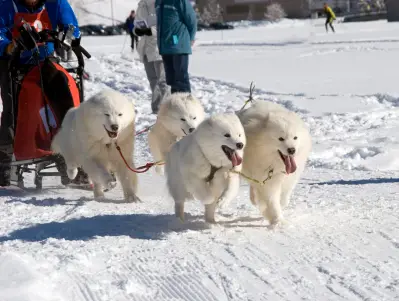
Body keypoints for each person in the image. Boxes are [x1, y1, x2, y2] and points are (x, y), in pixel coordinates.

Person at [0, 0, 81, 186]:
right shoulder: (6, 5)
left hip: (47, 61)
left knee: (64, 101)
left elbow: (71, 26)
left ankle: (73, 155)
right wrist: (10, 45)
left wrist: (67, 36)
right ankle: (5, 159)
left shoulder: (57, 3)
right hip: (14, 62)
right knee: (13, 110)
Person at [134, 0, 169, 114]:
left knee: (162, 81)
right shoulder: (141, 4)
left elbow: (168, 24)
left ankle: (166, 109)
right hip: (145, 49)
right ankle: (156, 109)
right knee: (153, 81)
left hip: (159, 47)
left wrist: (150, 31)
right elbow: (137, 23)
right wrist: (137, 31)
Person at [155, 0, 197, 94]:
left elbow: (192, 20)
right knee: (171, 80)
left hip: (179, 45)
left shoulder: (180, 1)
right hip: (165, 46)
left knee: (181, 79)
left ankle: (186, 105)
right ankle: (176, 104)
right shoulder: (158, 2)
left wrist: (191, 38)